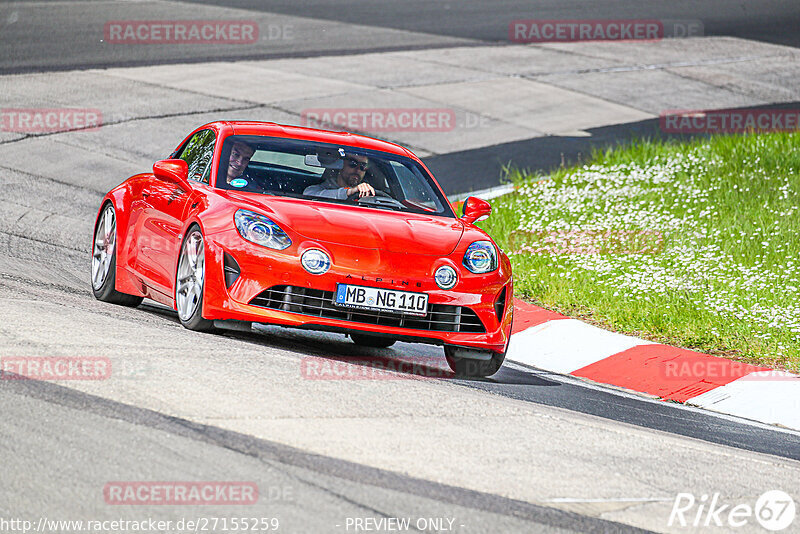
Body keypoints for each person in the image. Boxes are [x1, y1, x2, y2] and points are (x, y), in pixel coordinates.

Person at [303, 153, 375, 200]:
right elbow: (308, 194)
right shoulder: (325, 187)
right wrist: (348, 192)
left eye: (363, 166)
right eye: (353, 163)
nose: (358, 170)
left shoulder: (367, 193)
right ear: (341, 165)